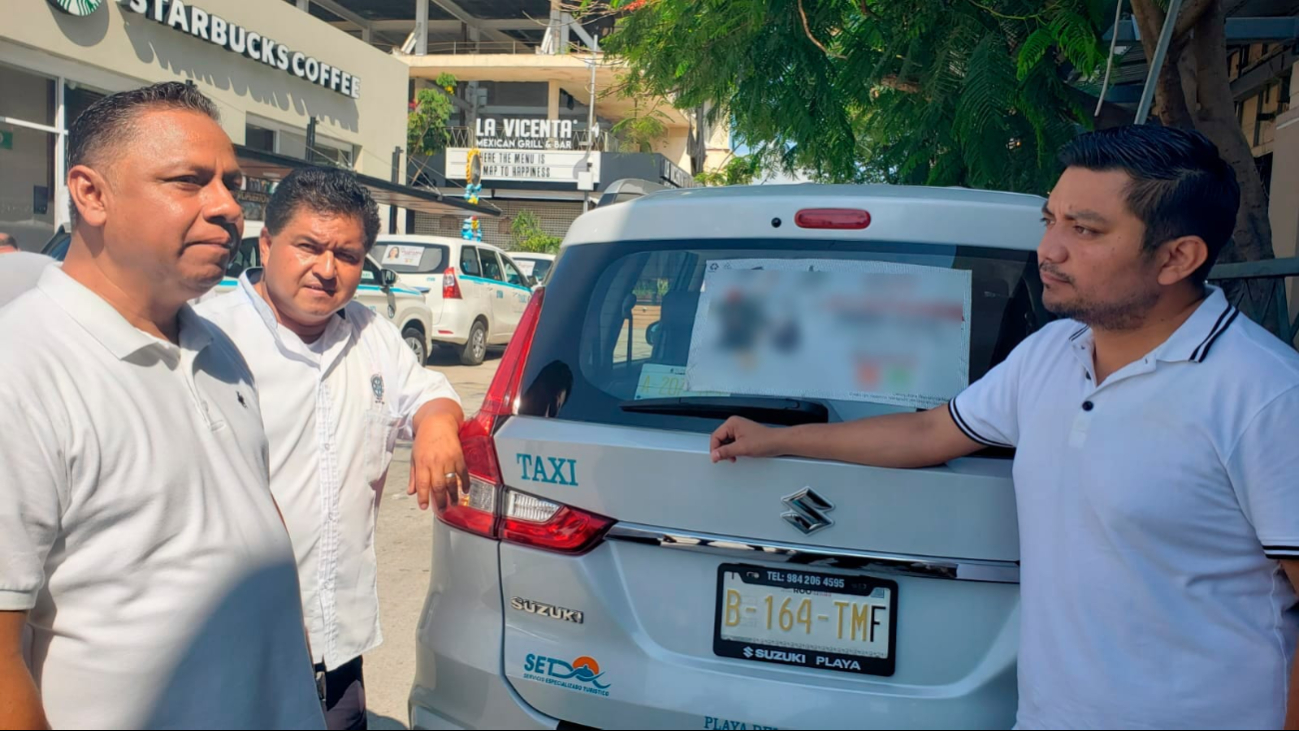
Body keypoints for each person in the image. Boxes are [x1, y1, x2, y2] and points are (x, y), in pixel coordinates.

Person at [710, 125, 1299, 730]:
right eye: (1051, 220)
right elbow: (930, 433)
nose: (1049, 249)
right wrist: (777, 438)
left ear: (1178, 257)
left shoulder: (1265, 395)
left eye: (1085, 230)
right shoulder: (1053, 351)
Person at [0, 82, 324, 730]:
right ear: (91, 194)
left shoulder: (216, 347)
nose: (229, 208)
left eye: (231, 184)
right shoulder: (23, 368)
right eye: (189, 181)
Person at [197, 167, 465, 730]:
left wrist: (437, 424)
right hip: (230, 649)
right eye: (309, 247)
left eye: (347, 254)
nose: (326, 269)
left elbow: (430, 392)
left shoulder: (372, 335)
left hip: (337, 645)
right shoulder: (204, 340)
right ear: (267, 243)